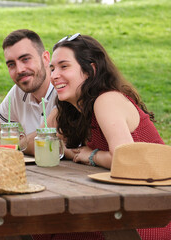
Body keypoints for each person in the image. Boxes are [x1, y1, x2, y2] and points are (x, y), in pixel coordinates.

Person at [36, 33, 169, 240]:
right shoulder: (76, 109)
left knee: (56, 227)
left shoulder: (106, 100)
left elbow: (125, 160)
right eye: (52, 68)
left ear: (91, 70)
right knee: (45, 226)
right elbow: (40, 140)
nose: (53, 75)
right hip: (127, 205)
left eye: (64, 66)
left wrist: (91, 156)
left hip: (152, 215)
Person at [0, 29, 57, 155]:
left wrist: (12, 144)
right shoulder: (19, 92)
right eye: (11, 64)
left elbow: (44, 141)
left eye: (25, 59)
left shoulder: (63, 87)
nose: (19, 70)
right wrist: (2, 142)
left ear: (45, 58)